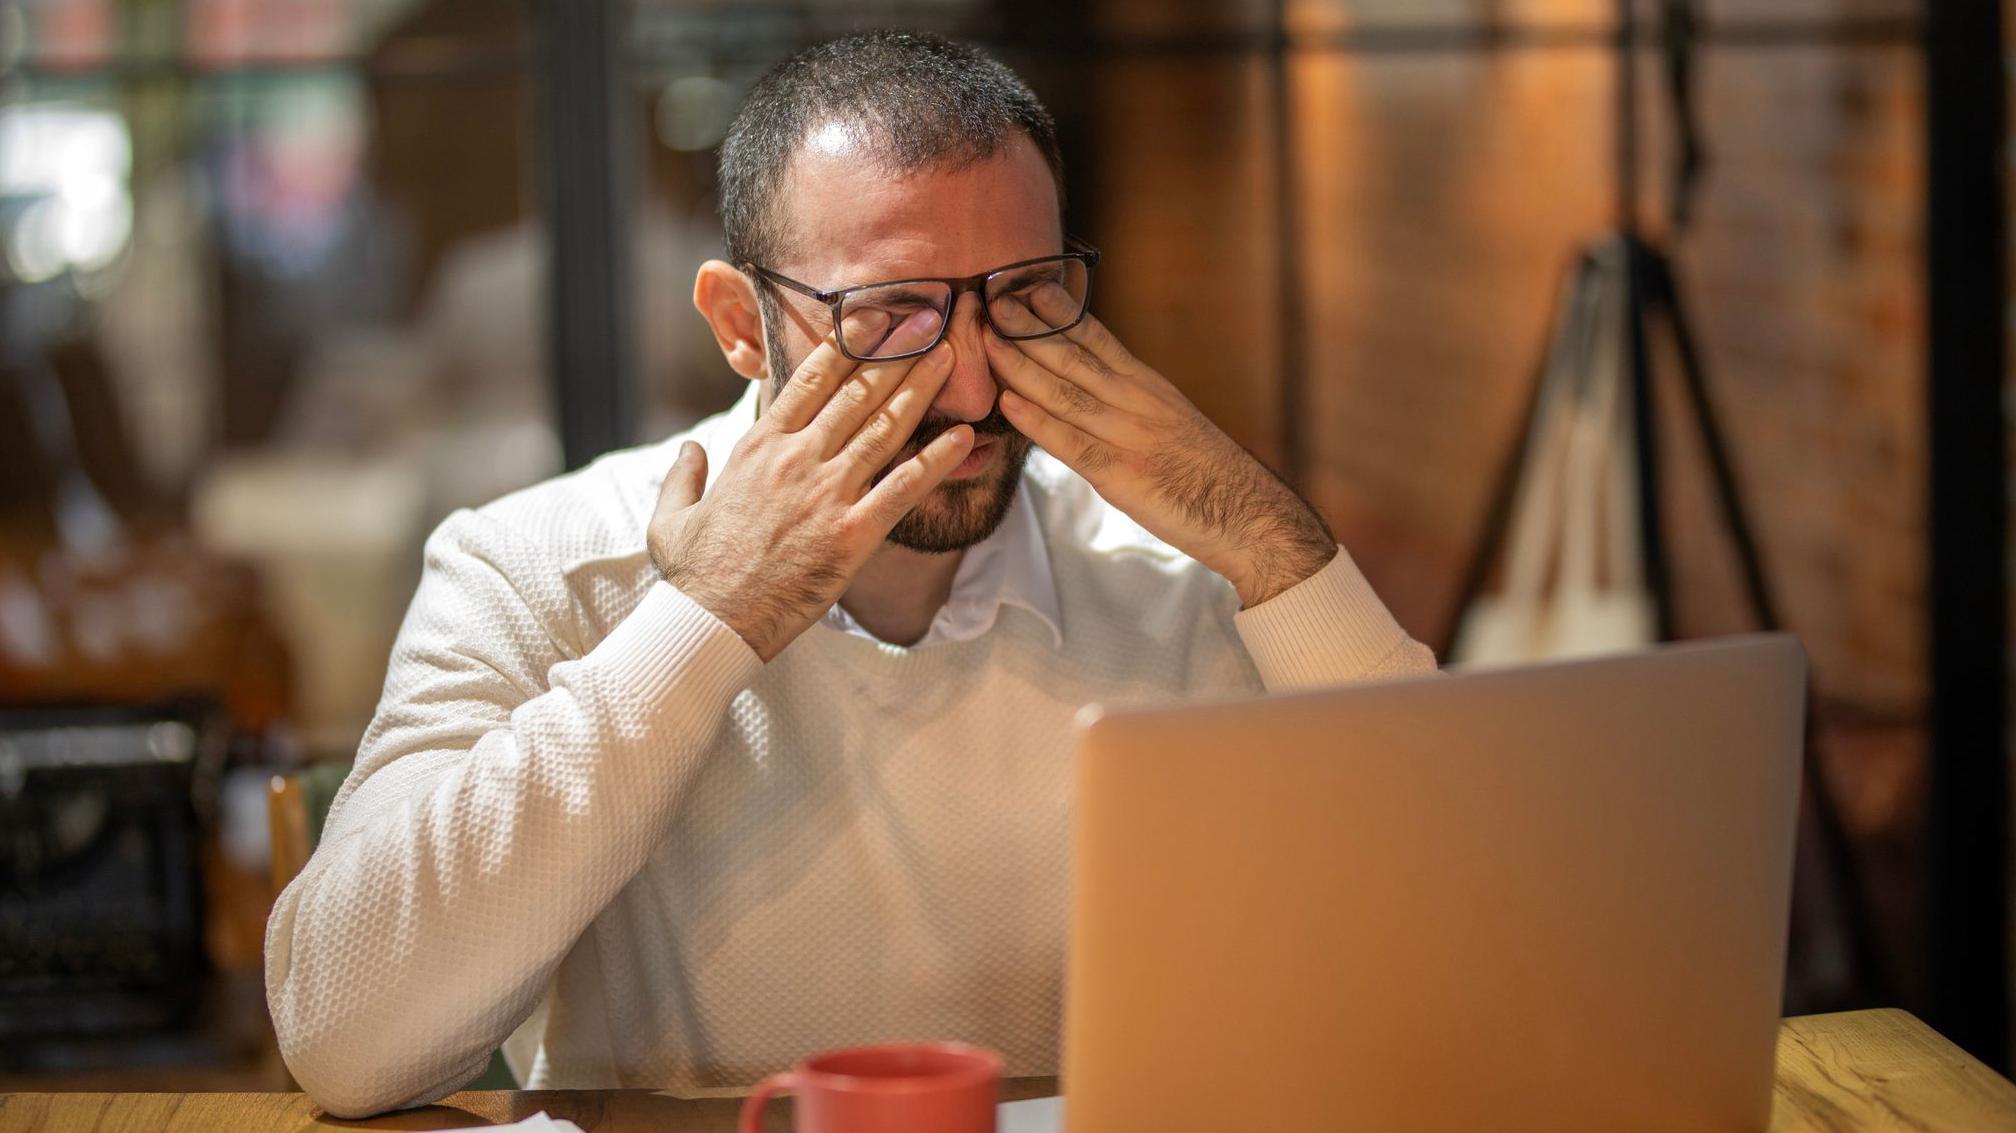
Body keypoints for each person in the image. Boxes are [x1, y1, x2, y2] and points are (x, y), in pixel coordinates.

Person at [264, 29, 1437, 1118]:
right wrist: (701, 619)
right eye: (896, 314)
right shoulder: (533, 563)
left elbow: (1462, 946)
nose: (975, 391)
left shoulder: (1173, 574)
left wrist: (1273, 546)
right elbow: (344, 1032)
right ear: (739, 322)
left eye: (1024, 297)